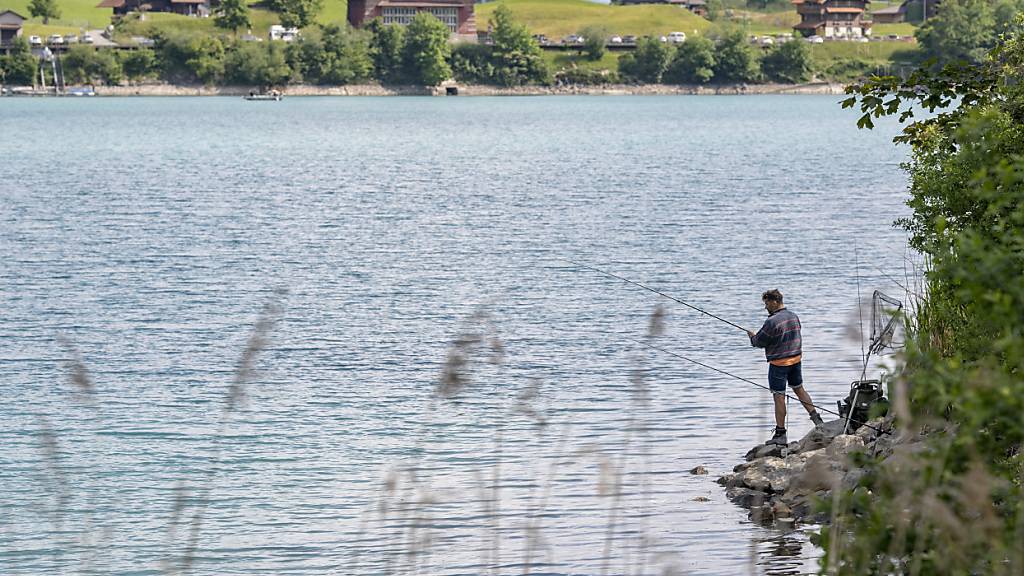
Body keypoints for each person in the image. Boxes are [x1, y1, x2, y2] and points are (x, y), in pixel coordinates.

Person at [746, 289, 824, 446]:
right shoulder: (793, 316)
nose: (765, 307)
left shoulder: (772, 321)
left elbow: (760, 342)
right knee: (799, 388)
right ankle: (818, 420)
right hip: (795, 359)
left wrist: (752, 337)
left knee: (779, 396)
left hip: (779, 364)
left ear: (775, 301)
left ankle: (780, 433)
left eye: (767, 303)